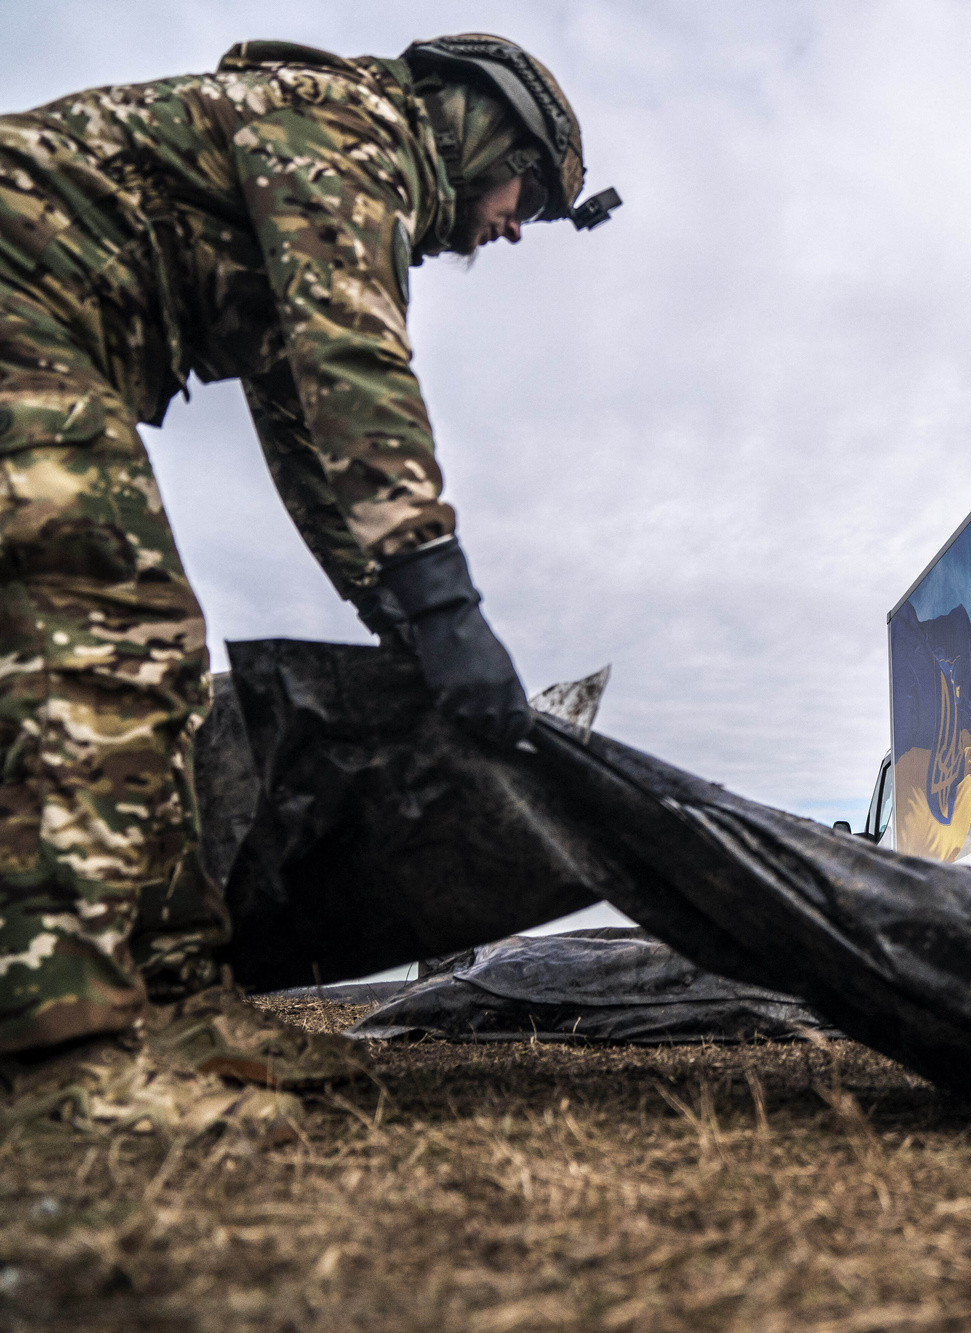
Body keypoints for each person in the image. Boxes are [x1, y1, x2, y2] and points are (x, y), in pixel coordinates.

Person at [0, 34, 619, 1121]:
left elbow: (307, 434)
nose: (517, 222)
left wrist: (399, 619)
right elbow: (354, 365)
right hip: (21, 307)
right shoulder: (345, 130)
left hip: (45, 325)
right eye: (528, 189)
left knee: (160, 680)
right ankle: (64, 1059)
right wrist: (442, 597)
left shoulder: (320, 165)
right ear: (482, 129)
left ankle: (184, 1006)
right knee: (113, 643)